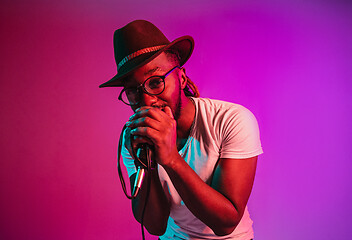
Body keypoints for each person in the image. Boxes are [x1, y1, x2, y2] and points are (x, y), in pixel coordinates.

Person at [99, 20, 263, 240]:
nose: (147, 100)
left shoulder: (232, 120)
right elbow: (155, 226)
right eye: (133, 91)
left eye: (156, 82)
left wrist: (171, 159)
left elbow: (226, 223)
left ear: (181, 77)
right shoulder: (135, 137)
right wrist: (144, 163)